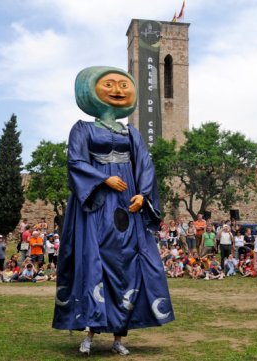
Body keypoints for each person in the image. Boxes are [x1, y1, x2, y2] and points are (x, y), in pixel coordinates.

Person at [52, 66, 173, 356]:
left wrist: (143, 195)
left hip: (127, 205)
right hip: (97, 206)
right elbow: (75, 161)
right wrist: (102, 178)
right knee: (95, 262)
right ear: (90, 90)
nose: (118, 90)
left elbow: (145, 165)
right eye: (109, 84)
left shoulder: (132, 133)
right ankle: (89, 334)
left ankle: (119, 337)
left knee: (128, 265)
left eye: (123, 84)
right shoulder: (83, 129)